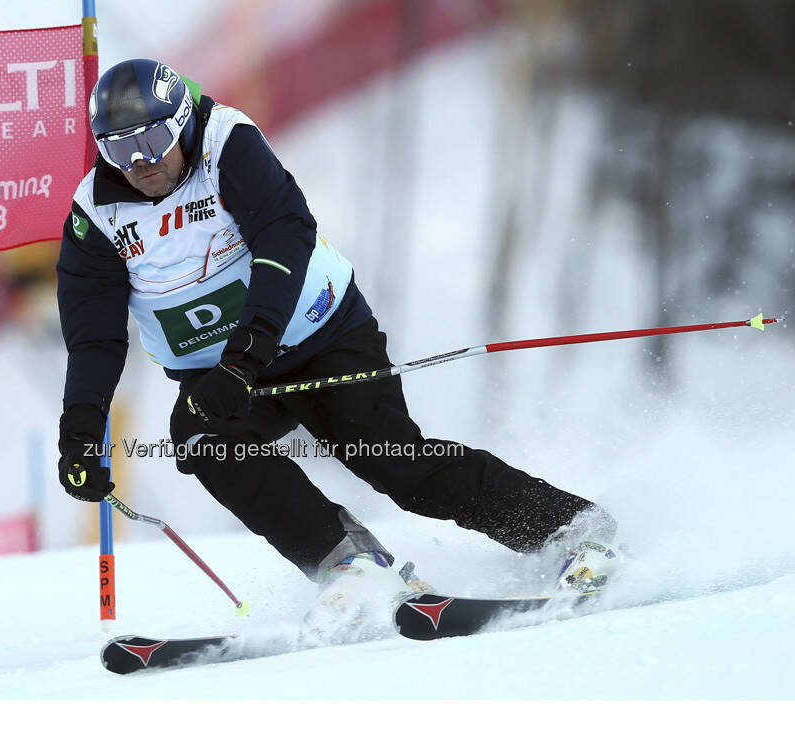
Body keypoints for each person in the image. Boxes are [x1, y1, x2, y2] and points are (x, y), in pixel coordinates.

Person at [56, 59, 618, 622]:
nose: (141, 163)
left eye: (152, 140)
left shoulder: (226, 145)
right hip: (226, 374)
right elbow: (94, 338)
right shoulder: (96, 216)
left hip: (320, 335)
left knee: (394, 463)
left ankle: (571, 530)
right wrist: (81, 432)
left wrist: (243, 358)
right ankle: (350, 563)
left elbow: (285, 239)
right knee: (200, 437)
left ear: (180, 122)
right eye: (119, 150)